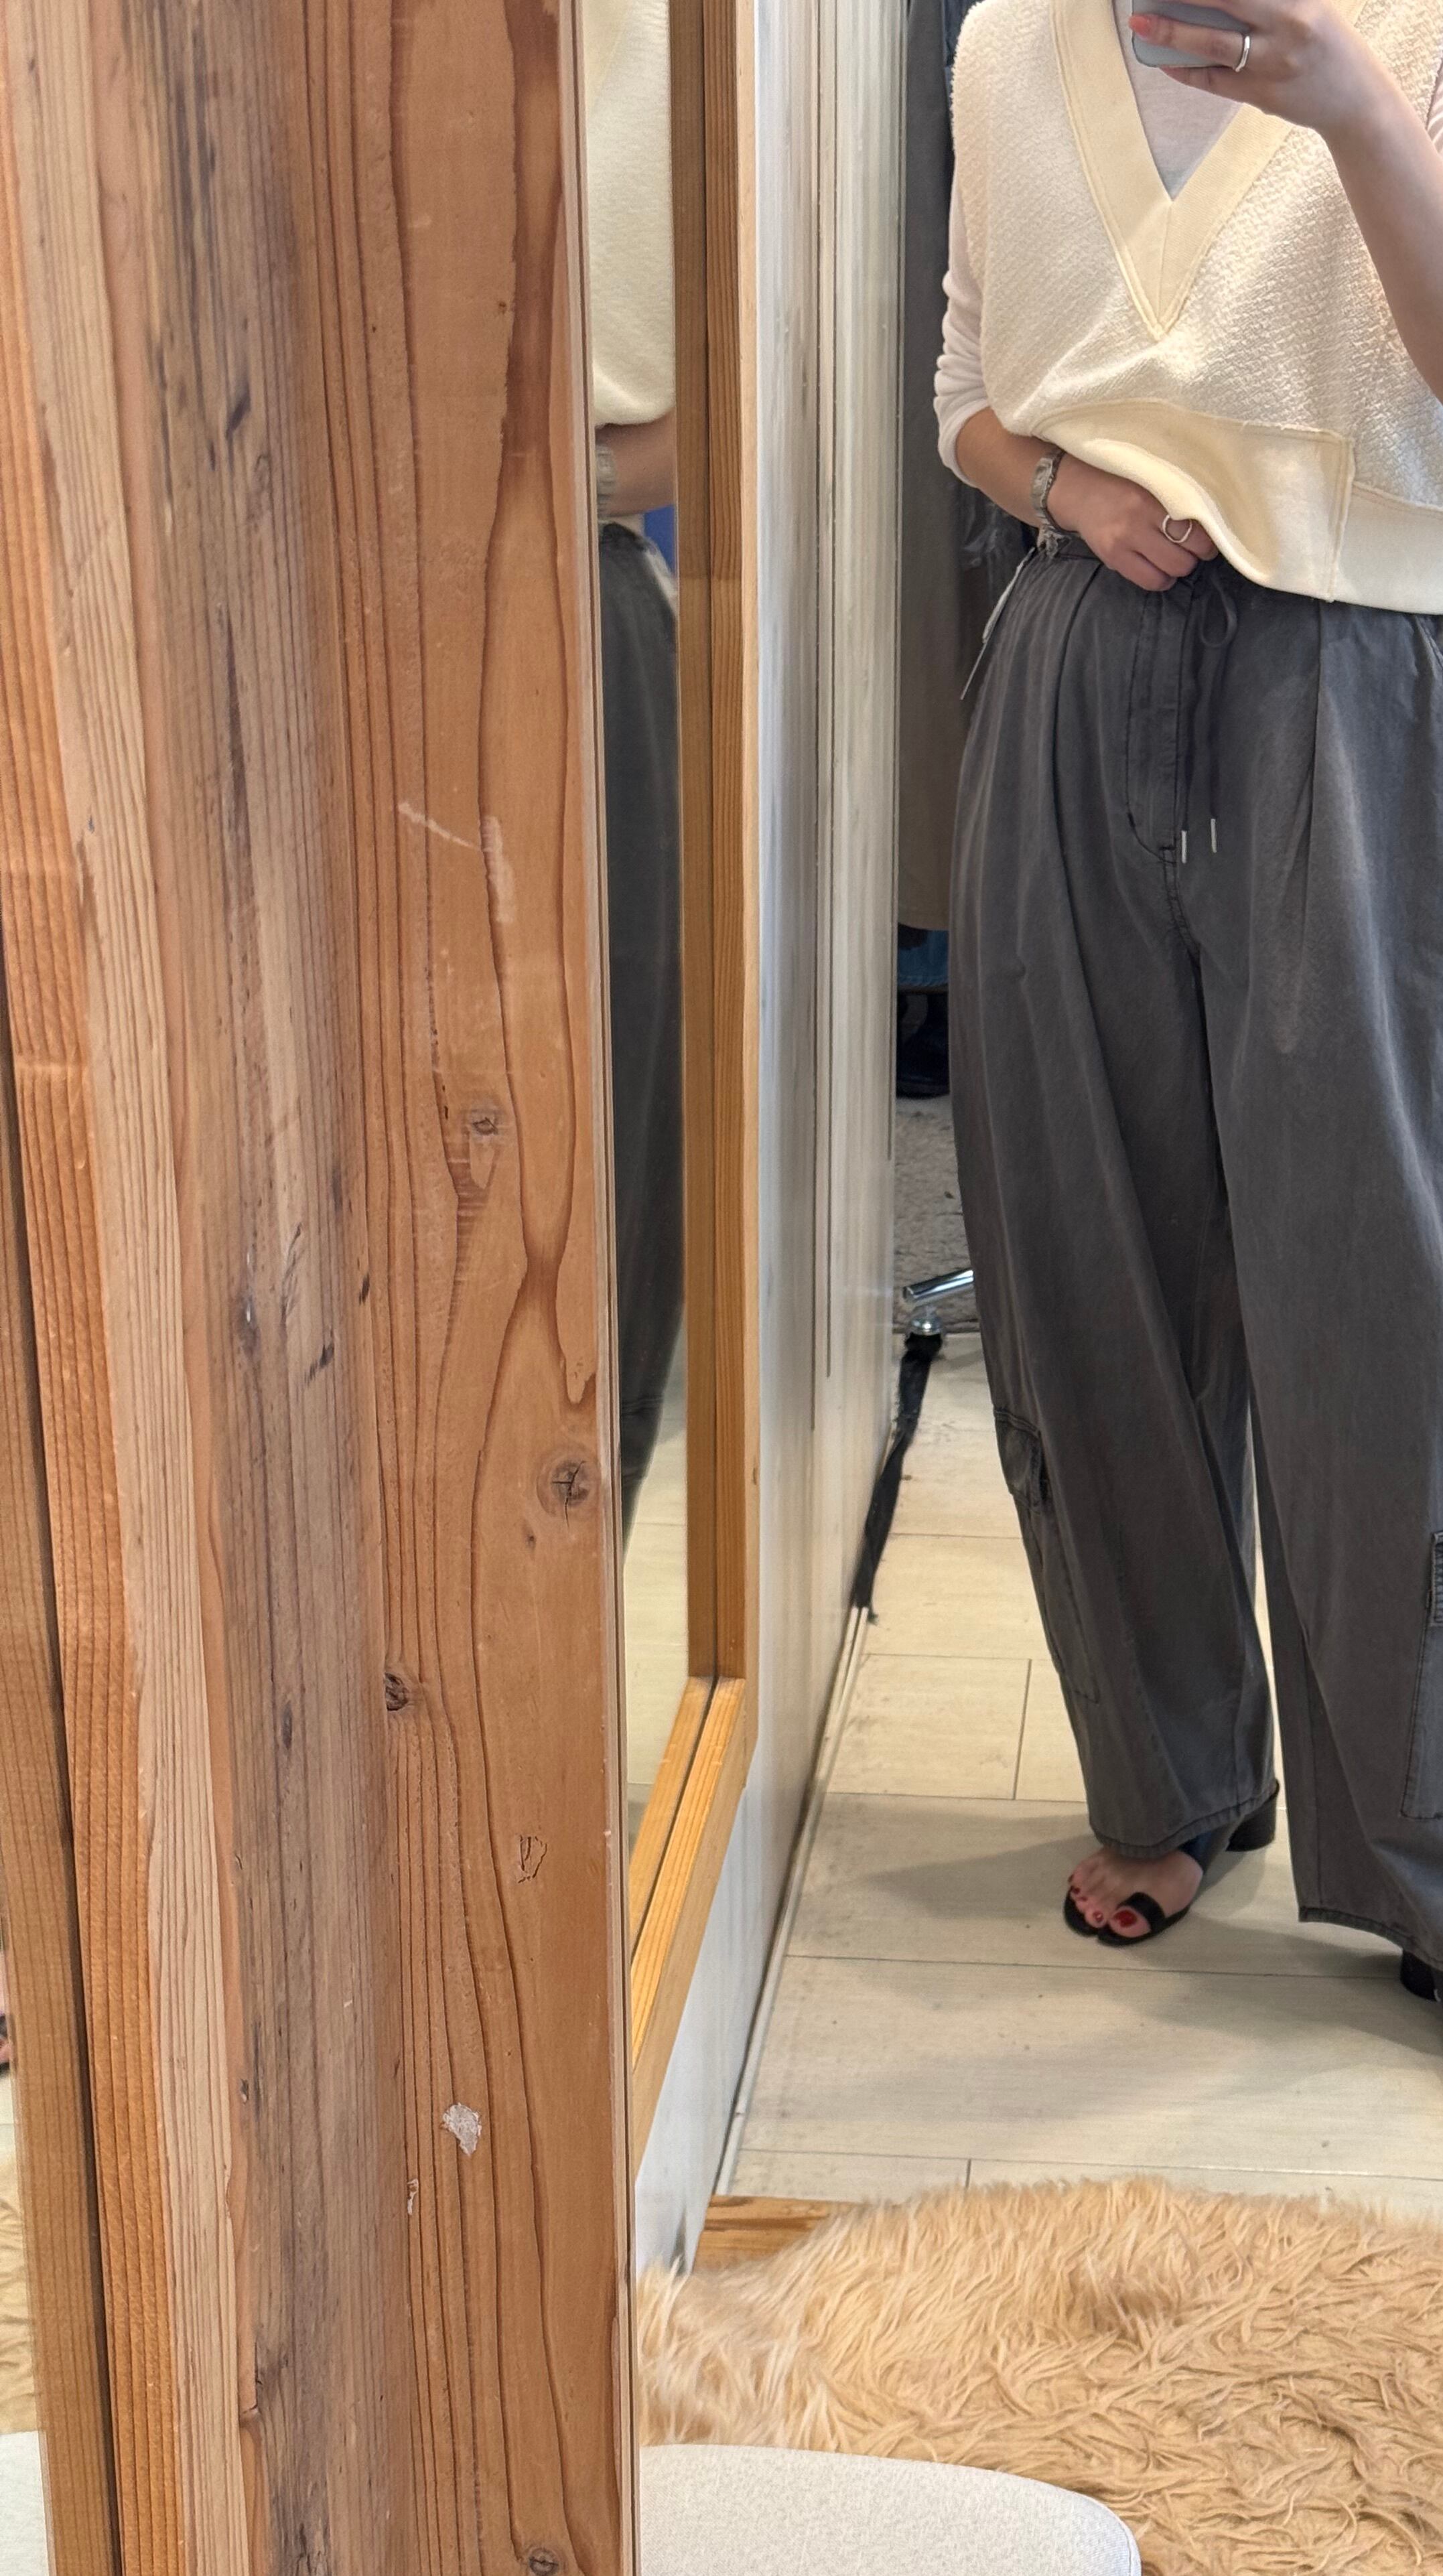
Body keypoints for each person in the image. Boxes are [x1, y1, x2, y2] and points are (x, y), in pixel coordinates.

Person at [939, 0, 1443, 2128]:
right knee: (1088, 1266)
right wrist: (1062, 480)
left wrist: (1342, 100)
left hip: (1368, 689)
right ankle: (1172, 1775)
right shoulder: (1005, 39)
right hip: (1073, 667)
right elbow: (967, 391)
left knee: (1402, 1305)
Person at [585, 0, 684, 1531]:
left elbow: (726, 399)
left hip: (583, 588)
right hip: (292, 610)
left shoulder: (681, 46)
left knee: (610, 1171)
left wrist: (555, 472)